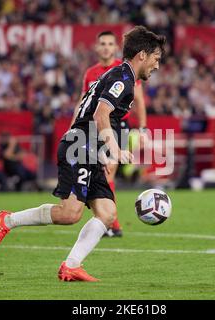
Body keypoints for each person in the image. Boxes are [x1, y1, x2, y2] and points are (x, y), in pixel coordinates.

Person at [0, 26, 165, 282]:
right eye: (156, 59)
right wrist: (114, 150)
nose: (157, 66)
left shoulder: (120, 75)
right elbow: (100, 114)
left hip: (91, 149)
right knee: (70, 214)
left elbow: (94, 111)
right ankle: (7, 220)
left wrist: (103, 152)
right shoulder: (122, 79)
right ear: (143, 55)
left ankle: (71, 265)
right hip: (81, 147)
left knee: (106, 213)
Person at [69, 30, 148, 237]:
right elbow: (82, 101)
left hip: (118, 126)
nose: (106, 47)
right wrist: (72, 127)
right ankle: (109, 221)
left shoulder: (124, 71)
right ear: (97, 48)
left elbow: (139, 100)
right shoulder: (90, 73)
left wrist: (142, 128)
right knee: (101, 173)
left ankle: (111, 223)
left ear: (115, 48)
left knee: (108, 170)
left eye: (110, 44)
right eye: (102, 43)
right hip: (94, 128)